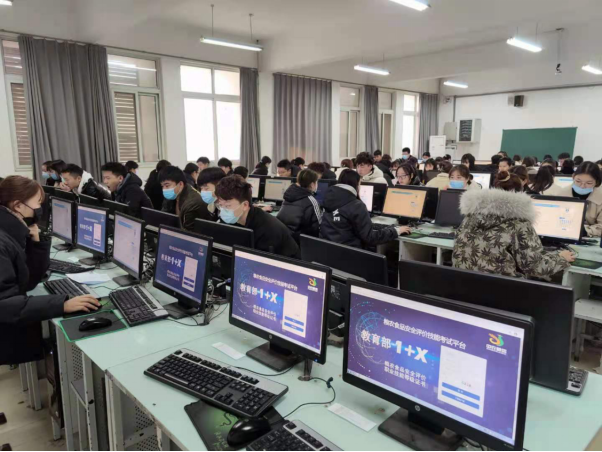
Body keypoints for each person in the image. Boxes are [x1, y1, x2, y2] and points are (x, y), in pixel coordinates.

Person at [0, 177, 100, 365]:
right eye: (37, 203)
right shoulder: (2, 242)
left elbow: (28, 281)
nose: (40, 208)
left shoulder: (10, 233)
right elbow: (4, 305)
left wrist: (36, 241)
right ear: (18, 206)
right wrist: (62, 305)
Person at [453, 171, 574, 280]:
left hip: (464, 284)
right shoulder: (519, 223)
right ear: (521, 193)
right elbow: (535, 267)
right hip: (501, 289)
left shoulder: (469, 217)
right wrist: (561, 258)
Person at [321, 169, 411, 249]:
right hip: (350, 254)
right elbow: (370, 237)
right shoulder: (356, 205)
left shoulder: (328, 199)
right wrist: (396, 231)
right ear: (356, 184)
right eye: (360, 184)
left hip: (329, 252)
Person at [215, 175, 299, 257]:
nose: (223, 210)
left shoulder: (267, 230)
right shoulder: (231, 221)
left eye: (227, 206)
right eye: (220, 205)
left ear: (245, 205)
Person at [554, 162, 602, 237]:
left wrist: (585, 231)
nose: (582, 186)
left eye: (589, 183)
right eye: (578, 181)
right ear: (573, 177)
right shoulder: (562, 194)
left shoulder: (600, 197)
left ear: (597, 182)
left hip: (591, 237)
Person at [277, 169, 322, 242]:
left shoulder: (288, 195)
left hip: (284, 238)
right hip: (299, 242)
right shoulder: (311, 201)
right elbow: (318, 226)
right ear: (312, 184)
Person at [158, 166, 206, 231]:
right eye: (162, 186)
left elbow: (188, 232)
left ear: (180, 184)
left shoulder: (192, 202)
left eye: (167, 185)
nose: (164, 189)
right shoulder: (173, 195)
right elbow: (164, 216)